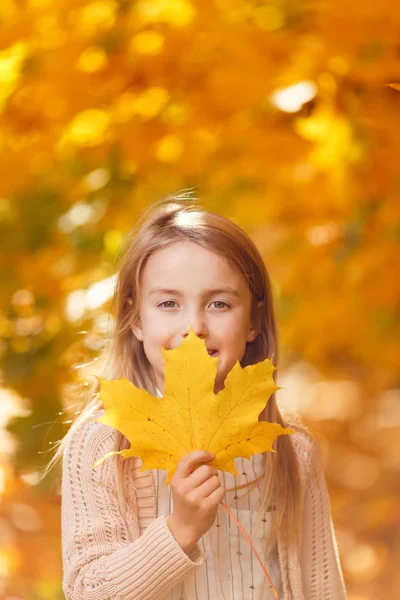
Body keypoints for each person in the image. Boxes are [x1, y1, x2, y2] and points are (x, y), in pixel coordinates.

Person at [55, 193, 347, 599]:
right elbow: (88, 592)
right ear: (134, 318)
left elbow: (322, 589)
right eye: (169, 303)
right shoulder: (103, 443)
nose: (194, 326)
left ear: (254, 320)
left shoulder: (290, 452)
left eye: (219, 303)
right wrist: (180, 530)